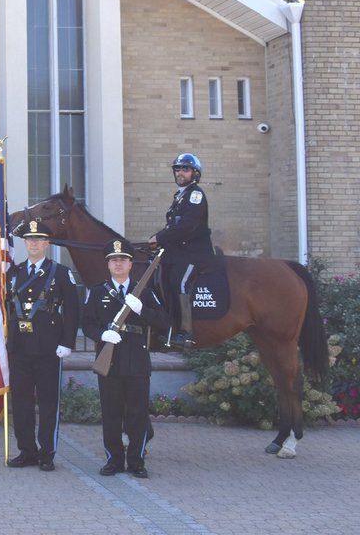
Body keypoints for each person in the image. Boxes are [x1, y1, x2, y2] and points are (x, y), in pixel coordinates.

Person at [82, 239, 170, 479]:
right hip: (108, 359)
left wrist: (142, 310)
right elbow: (87, 323)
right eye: (113, 260)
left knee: (137, 413)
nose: (118, 264)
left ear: (131, 264)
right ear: (108, 264)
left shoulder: (145, 293)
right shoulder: (98, 292)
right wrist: (102, 334)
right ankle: (113, 459)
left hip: (136, 358)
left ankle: (137, 460)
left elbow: (164, 321)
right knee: (111, 412)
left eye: (122, 260)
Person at [5, 220, 79, 471]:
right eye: (29, 239)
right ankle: (27, 451)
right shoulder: (14, 273)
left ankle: (47, 453)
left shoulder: (59, 272)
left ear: (47, 243)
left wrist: (67, 342)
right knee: (22, 403)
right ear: (25, 243)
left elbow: (72, 310)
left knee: (48, 403)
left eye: (39, 239)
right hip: (20, 347)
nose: (34, 243)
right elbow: (5, 308)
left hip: (48, 347)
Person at [148, 153, 213, 348]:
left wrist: (159, 238)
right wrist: (157, 239)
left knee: (181, 282)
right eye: (177, 169)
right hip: (178, 252)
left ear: (195, 173)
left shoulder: (195, 194)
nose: (180, 172)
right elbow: (172, 228)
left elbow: (186, 227)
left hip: (194, 253)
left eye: (185, 169)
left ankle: (185, 333)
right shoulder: (180, 196)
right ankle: (167, 326)